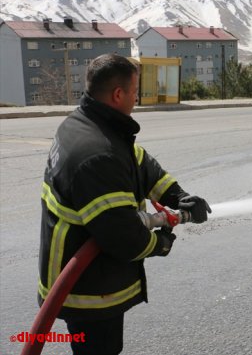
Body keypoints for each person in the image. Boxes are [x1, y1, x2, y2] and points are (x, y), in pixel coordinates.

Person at [38, 54, 211, 355]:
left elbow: (139, 164)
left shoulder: (89, 124)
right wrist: (160, 245)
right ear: (118, 95)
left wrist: (177, 196)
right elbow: (123, 237)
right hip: (87, 289)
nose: (137, 99)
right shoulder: (97, 154)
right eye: (134, 92)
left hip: (86, 276)